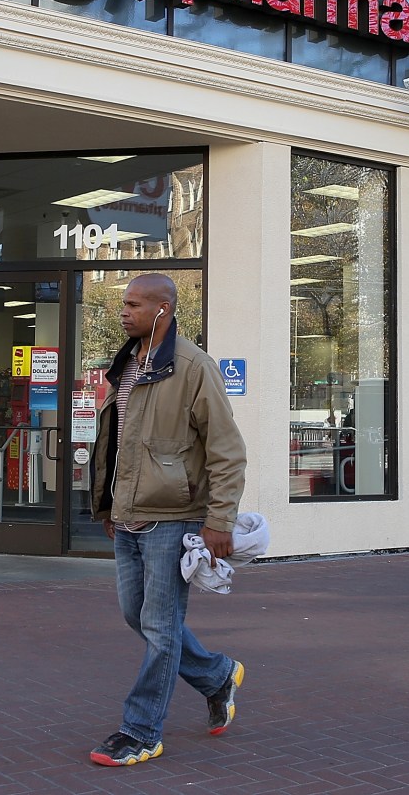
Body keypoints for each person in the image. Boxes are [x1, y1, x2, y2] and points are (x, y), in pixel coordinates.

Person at [87, 273, 247, 768]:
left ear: (163, 309)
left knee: (160, 625)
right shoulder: (127, 365)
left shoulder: (193, 367)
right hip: (130, 516)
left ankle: (140, 730)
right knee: (138, 616)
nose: (124, 311)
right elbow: (117, 446)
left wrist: (219, 520)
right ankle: (216, 675)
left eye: (135, 304)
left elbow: (227, 450)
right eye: (124, 304)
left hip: (174, 519)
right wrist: (110, 506)